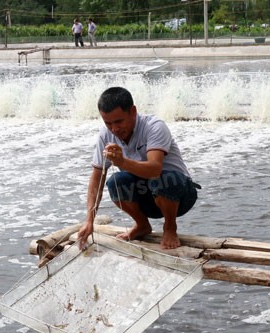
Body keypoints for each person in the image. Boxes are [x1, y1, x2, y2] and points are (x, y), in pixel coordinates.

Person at [77, 87, 199, 250]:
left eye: (119, 121)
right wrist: (89, 221)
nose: (114, 129)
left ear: (133, 111)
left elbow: (154, 169)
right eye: (108, 123)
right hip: (147, 197)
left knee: (163, 179)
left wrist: (121, 162)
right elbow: (97, 177)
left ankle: (170, 227)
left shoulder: (154, 126)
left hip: (179, 195)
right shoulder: (105, 135)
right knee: (115, 182)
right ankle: (142, 225)